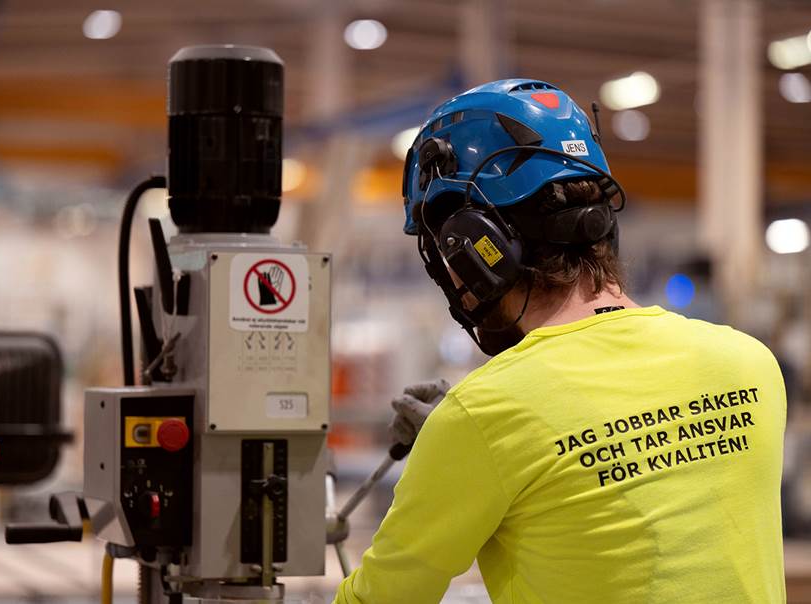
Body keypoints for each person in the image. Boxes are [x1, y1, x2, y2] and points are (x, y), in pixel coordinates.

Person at [333, 80, 786, 603]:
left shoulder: (482, 415)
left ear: (474, 249)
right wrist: (476, 446)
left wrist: (463, 446)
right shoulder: (751, 364)